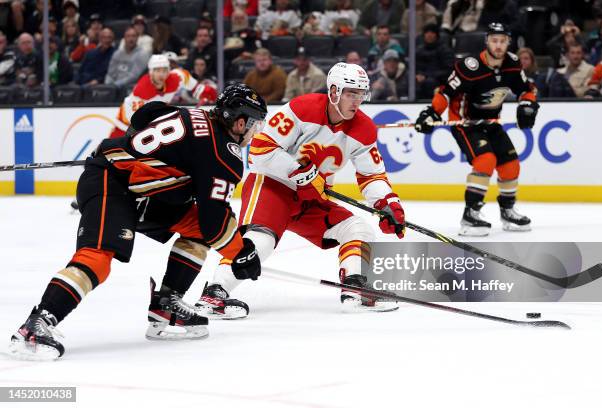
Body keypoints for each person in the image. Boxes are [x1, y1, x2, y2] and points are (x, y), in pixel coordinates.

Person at [9, 84, 268, 361]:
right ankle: (36, 325)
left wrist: (138, 149)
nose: (255, 132)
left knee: (197, 229)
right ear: (239, 121)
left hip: (139, 189)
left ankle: (167, 305)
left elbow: (146, 113)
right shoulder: (223, 155)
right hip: (113, 182)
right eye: (254, 125)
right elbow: (215, 222)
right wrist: (240, 254)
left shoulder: (192, 113)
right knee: (97, 258)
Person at [195, 62, 405, 319]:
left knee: (358, 229)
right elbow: (261, 149)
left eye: (361, 94)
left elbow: (371, 174)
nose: (357, 101)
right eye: (351, 93)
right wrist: (297, 169)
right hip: (273, 185)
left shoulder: (364, 129)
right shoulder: (302, 108)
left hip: (312, 197)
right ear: (334, 91)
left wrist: (387, 203)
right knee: (262, 241)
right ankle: (214, 293)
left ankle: (354, 288)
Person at [415, 23, 538, 236]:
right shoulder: (468, 66)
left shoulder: (513, 64)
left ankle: (507, 211)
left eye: (502, 41)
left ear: (509, 42)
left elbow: (527, 90)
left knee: (511, 165)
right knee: (486, 160)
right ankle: (470, 214)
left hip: (491, 123)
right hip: (465, 123)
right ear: (487, 41)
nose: (498, 45)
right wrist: (432, 113)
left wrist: (527, 105)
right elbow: (445, 92)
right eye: (494, 40)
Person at [108, 54, 213, 138]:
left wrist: (206, 92)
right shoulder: (142, 90)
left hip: (152, 115)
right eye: (157, 71)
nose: (161, 74)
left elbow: (194, 86)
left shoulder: (177, 77)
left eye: (164, 70)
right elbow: (136, 120)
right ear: (151, 72)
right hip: (126, 120)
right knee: (113, 149)